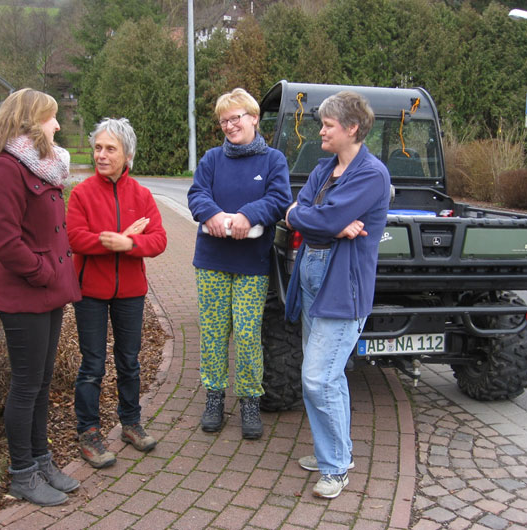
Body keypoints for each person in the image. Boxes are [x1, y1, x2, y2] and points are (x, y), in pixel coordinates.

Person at [284, 91, 391, 498]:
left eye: (328, 124)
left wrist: (317, 219)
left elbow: (319, 215)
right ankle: (337, 450)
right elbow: (300, 212)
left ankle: (334, 468)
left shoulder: (371, 174)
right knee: (329, 377)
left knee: (318, 377)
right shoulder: (326, 169)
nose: (321, 130)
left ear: (351, 128)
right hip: (313, 275)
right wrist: (317, 220)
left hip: (341, 287)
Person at [0, 88, 81, 507]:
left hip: (49, 293)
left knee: (41, 384)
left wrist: (55, 277)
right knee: (26, 387)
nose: (57, 125)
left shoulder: (43, 166)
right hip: (24, 295)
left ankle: (42, 461)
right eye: (51, 118)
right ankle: (22, 473)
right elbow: (5, 242)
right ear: (29, 121)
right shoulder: (7, 169)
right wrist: (44, 272)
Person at [187, 88, 292, 439]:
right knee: (214, 333)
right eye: (224, 120)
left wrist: (249, 215)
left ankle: (249, 399)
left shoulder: (273, 160)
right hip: (212, 260)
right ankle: (214, 397)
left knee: (247, 335)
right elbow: (197, 194)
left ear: (254, 118)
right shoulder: (212, 159)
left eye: (236, 118)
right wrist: (212, 214)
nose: (230, 125)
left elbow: (279, 199)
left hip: (251, 261)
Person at [67, 118, 167, 468]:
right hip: (90, 292)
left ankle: (130, 422)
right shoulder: (81, 193)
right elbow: (74, 237)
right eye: (98, 148)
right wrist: (115, 240)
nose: (102, 155)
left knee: (129, 361)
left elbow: (159, 241)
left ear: (128, 155)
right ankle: (89, 431)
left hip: (130, 293)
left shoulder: (141, 195)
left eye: (110, 149)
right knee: (92, 364)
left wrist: (131, 242)